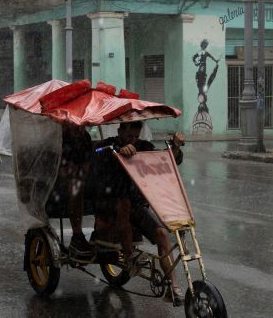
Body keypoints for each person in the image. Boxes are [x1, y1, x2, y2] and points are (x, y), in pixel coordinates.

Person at [94, 121, 186, 306]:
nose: (133, 140)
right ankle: (129, 257)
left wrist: (175, 146)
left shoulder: (143, 146)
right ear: (120, 131)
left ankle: (173, 287)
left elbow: (165, 159)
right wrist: (118, 150)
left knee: (161, 234)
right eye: (129, 136)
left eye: (136, 136)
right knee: (124, 204)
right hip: (112, 204)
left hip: (136, 204)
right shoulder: (108, 146)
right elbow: (97, 153)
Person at [59, 123, 95, 260]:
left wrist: (82, 172)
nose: (80, 128)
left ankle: (101, 233)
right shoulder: (59, 138)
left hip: (78, 176)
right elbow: (57, 167)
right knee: (76, 186)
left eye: (82, 125)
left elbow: (86, 163)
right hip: (59, 182)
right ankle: (77, 234)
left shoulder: (84, 137)